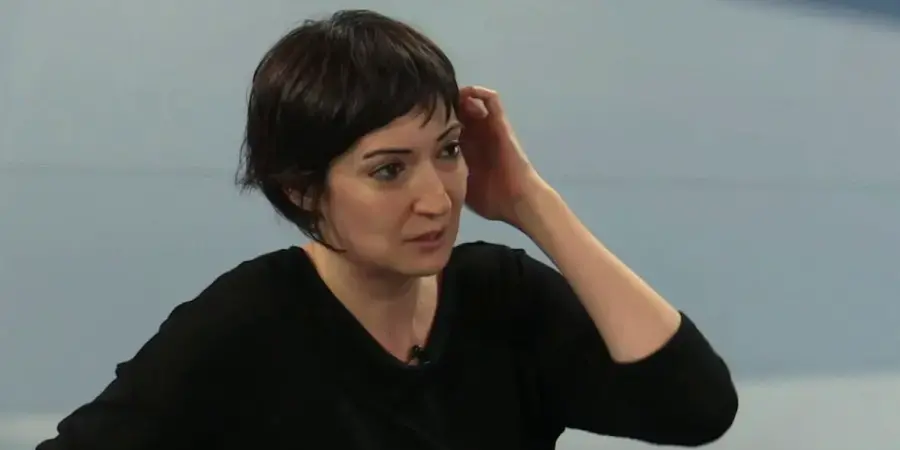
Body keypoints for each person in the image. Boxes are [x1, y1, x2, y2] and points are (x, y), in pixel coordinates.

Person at [36, 9, 737, 450]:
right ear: (303, 189)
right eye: (389, 170)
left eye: (448, 151)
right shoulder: (246, 324)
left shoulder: (502, 295)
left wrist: (531, 202)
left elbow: (695, 409)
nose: (435, 199)